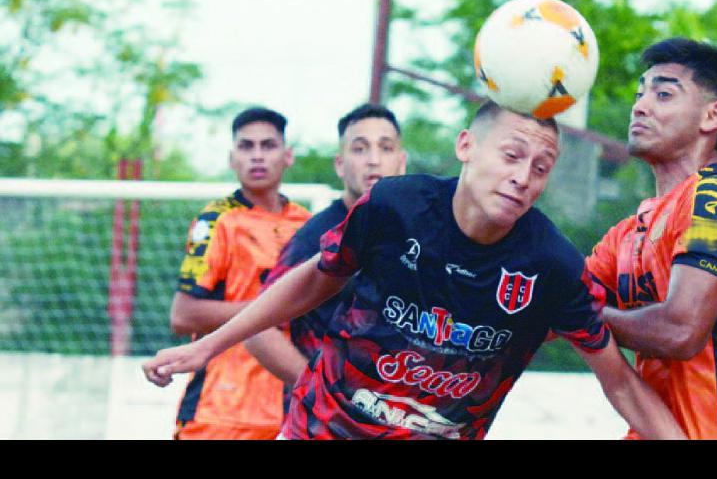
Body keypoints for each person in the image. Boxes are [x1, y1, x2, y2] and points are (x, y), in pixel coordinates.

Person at [144, 101, 686, 440]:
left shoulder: (552, 265)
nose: (523, 176)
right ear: (466, 146)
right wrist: (206, 346)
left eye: (540, 167)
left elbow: (622, 381)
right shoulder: (394, 207)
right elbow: (314, 277)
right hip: (320, 430)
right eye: (512, 155)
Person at [586, 38, 717, 439]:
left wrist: (580, 317)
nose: (640, 106)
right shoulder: (626, 235)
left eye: (663, 94)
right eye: (640, 93)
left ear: (713, 115)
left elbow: (679, 331)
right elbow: (555, 295)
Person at [243, 103, 407, 395]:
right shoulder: (317, 237)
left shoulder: (416, 232)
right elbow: (258, 330)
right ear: (340, 165)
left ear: (401, 161)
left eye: (385, 148)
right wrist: (319, 391)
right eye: (359, 149)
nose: (373, 160)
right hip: (324, 424)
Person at [168, 107, 311, 440]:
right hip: (219, 416)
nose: (257, 156)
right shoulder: (217, 221)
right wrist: (272, 309)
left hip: (288, 415)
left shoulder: (307, 224)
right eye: (246, 147)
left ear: (287, 155)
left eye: (268, 145)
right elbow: (183, 315)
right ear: (232, 158)